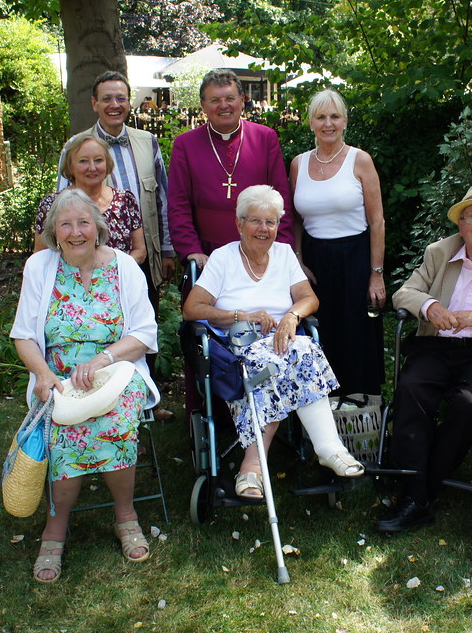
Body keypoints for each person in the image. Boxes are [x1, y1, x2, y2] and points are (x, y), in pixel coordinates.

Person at [10, 189, 160, 583]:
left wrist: (102, 360)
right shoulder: (40, 267)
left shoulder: (125, 266)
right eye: (66, 224)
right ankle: (55, 528)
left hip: (117, 370)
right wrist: (43, 375)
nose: (76, 232)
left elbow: (144, 333)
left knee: (117, 418)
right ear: (54, 233)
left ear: (98, 228)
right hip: (58, 375)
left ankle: (125, 515)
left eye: (83, 222)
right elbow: (24, 335)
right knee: (65, 422)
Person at [182, 185, 364, 500]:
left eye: (271, 222)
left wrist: (292, 317)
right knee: (269, 365)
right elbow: (192, 309)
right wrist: (242, 315)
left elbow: (309, 298)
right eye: (255, 221)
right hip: (238, 345)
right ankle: (253, 465)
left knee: (305, 349)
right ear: (239, 224)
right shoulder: (224, 259)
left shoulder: (283, 255)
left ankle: (327, 448)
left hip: (283, 338)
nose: (264, 229)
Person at [376, 185, 472, 533]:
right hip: (437, 346)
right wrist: (431, 307)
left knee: (468, 403)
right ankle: (419, 495)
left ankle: (418, 492)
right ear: (460, 225)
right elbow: (404, 294)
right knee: (411, 389)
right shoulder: (440, 251)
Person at [57, 71, 175, 422]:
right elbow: (63, 208)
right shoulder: (77, 146)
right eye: (106, 98)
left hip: (137, 263)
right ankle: (94, 402)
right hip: (83, 270)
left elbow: (163, 200)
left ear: (129, 102)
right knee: (96, 333)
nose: (114, 105)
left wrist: (166, 250)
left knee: (141, 328)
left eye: (120, 98)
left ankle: (144, 403)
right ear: (94, 103)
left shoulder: (146, 142)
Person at [289, 89, 385, 396]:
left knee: (356, 334)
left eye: (334, 116)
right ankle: (321, 407)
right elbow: (296, 220)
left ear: (344, 120)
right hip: (316, 261)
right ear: (311, 123)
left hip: (356, 257)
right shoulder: (298, 164)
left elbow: (377, 222)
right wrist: (299, 261)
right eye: (320, 117)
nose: (327, 123)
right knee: (321, 333)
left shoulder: (360, 160)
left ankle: (362, 410)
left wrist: (376, 273)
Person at [168, 69, 295, 270]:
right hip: (206, 255)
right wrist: (191, 250)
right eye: (215, 100)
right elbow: (178, 203)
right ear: (203, 105)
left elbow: (282, 199)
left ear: (242, 101)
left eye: (230, 98)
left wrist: (281, 248)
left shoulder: (265, 138)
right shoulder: (185, 144)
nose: (224, 105)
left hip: (260, 250)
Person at [36, 135, 145, 264]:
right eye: (83, 161)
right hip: (68, 282)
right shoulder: (51, 205)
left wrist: (111, 275)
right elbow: (40, 259)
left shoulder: (125, 201)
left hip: (119, 281)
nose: (92, 168)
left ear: (107, 163)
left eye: (98, 160)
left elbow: (140, 251)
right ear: (70, 166)